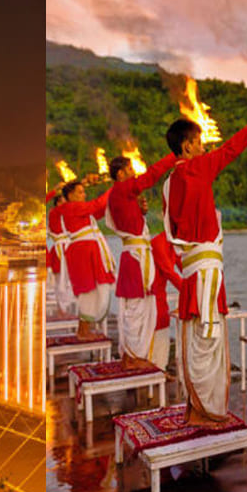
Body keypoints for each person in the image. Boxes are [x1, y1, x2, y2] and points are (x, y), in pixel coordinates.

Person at [163, 99, 247, 425]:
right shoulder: (195, 170)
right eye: (199, 143)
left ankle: (196, 407)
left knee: (195, 340)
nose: (203, 149)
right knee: (209, 341)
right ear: (188, 147)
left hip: (193, 272)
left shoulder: (168, 182)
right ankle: (206, 411)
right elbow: (232, 148)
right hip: (204, 274)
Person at [105, 153, 176, 369]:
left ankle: (132, 355)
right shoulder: (121, 189)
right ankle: (132, 357)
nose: (133, 172)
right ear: (120, 174)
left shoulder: (120, 194)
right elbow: (152, 175)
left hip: (134, 255)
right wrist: (174, 155)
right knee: (135, 308)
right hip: (135, 258)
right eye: (129, 169)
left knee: (136, 308)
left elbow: (130, 222)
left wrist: (139, 211)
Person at [58, 174, 114, 338]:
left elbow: (100, 209)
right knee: (87, 289)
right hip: (82, 251)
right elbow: (97, 204)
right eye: (81, 192)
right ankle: (83, 330)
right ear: (71, 196)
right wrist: (116, 187)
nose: (84, 195)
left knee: (92, 288)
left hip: (87, 249)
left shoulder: (79, 210)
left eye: (84, 192)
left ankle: (84, 328)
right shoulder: (71, 207)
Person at [149, 228, 182, 371]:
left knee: (164, 323)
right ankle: (150, 370)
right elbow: (169, 272)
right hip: (148, 293)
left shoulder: (176, 245)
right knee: (154, 325)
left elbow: (186, 268)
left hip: (159, 293)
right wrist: (191, 294)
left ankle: (160, 369)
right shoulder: (159, 243)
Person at [46, 185, 76, 317]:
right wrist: (54, 191)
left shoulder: (67, 214)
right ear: (58, 203)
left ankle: (66, 307)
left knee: (70, 280)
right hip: (60, 249)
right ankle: (62, 308)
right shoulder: (54, 213)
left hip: (69, 248)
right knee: (60, 280)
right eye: (64, 202)